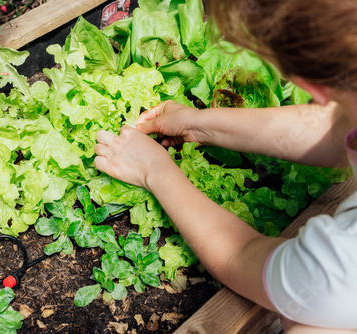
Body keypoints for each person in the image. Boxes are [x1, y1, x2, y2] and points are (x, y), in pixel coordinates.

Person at [94, 0, 357, 332]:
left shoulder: (347, 256)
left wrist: (155, 170)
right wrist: (198, 124)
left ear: (314, 88)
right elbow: (335, 128)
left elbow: (245, 259)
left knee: (306, 321)